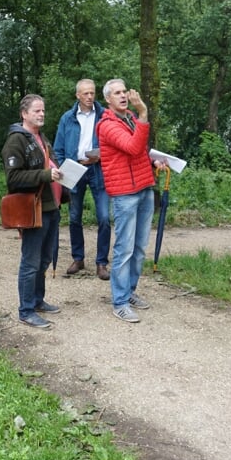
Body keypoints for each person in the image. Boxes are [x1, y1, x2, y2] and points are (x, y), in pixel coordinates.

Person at [97, 79, 167, 323]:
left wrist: (153, 161)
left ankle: (130, 291)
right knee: (124, 249)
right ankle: (119, 302)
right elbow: (132, 146)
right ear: (108, 99)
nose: (123, 96)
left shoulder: (129, 119)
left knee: (139, 248)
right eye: (117, 93)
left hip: (144, 187)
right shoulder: (106, 125)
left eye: (124, 91)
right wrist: (144, 112)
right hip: (125, 193)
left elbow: (139, 152)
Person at [2, 94, 64, 329]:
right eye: (37, 111)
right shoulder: (16, 140)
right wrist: (45, 175)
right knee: (31, 261)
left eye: (43, 111)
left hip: (51, 206)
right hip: (33, 209)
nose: (41, 114)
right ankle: (26, 310)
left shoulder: (41, 138)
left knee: (45, 258)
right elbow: (13, 178)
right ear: (24, 114)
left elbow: (51, 165)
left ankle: (37, 300)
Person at [53, 79, 111, 280]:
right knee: (75, 217)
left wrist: (103, 155)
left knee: (104, 217)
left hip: (98, 169)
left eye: (92, 93)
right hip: (75, 169)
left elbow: (113, 142)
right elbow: (58, 147)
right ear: (77, 95)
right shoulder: (67, 118)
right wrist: (64, 167)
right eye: (85, 93)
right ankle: (78, 258)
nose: (89, 97)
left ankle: (101, 262)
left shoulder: (104, 115)